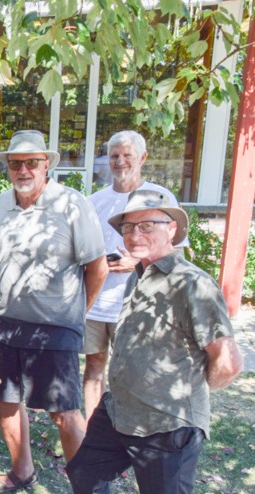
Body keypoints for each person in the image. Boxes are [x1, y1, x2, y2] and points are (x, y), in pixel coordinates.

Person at [62, 189, 243, 494]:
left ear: (173, 229)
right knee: (84, 472)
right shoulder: (140, 273)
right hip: (119, 410)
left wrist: (185, 401)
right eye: (128, 226)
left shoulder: (191, 283)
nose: (135, 233)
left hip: (166, 426)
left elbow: (228, 362)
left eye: (147, 225)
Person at [0, 131, 108, 494]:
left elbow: (98, 267)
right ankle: (22, 470)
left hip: (57, 327)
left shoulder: (72, 204)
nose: (22, 170)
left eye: (31, 162)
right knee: (4, 401)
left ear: (46, 164)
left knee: (65, 414)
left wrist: (73, 315)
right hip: (6, 323)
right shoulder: (1, 204)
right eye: (15, 163)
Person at [83, 131, 182, 421]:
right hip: (96, 301)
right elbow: (82, 250)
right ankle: (93, 429)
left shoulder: (160, 198)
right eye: (114, 156)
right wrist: (99, 262)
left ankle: (130, 427)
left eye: (127, 155)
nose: (120, 162)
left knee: (133, 370)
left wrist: (137, 261)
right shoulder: (95, 201)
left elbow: (176, 254)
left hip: (139, 303)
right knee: (94, 367)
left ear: (143, 158)